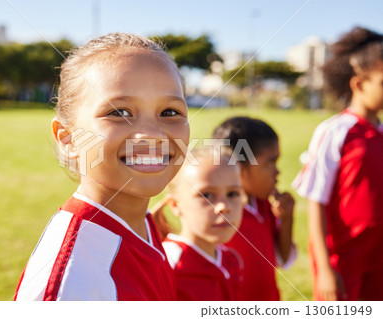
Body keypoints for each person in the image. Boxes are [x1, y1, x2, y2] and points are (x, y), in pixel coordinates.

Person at [14, 33, 190, 301]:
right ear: (68, 139)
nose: (151, 133)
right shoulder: (72, 285)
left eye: (169, 112)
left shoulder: (140, 223)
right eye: (119, 113)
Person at [293, 26, 383, 301]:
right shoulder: (335, 131)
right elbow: (315, 201)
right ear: (359, 84)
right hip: (343, 260)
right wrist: (325, 269)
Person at [213, 117, 296, 300]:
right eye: (270, 163)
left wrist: (287, 219)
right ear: (238, 168)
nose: (277, 172)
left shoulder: (264, 205)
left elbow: (283, 259)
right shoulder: (219, 214)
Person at [152, 146, 244, 301]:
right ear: (175, 204)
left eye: (232, 194)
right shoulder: (166, 265)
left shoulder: (231, 260)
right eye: (207, 195)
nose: (224, 206)